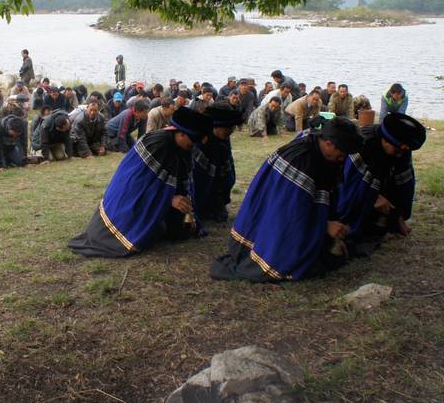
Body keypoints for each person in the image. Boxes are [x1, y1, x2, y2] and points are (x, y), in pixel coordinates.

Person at [210, 117, 364, 282]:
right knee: (298, 264)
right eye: (341, 155)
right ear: (328, 143)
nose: (343, 160)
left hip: (282, 219)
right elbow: (289, 216)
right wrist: (324, 225)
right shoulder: (301, 161)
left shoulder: (319, 152)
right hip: (272, 231)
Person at [68, 107, 212, 257]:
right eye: (193, 140)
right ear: (181, 134)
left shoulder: (183, 148)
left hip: (157, 199)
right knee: (153, 232)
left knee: (178, 230)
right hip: (128, 202)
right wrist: (169, 199)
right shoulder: (157, 144)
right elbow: (136, 186)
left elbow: (181, 181)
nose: (194, 145)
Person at [337, 112, 426, 257]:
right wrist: (374, 197)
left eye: (404, 151)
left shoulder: (401, 150)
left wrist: (399, 216)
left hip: (374, 188)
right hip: (346, 194)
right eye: (398, 150)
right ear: (385, 141)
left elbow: (403, 184)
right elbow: (347, 185)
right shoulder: (362, 144)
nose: (400, 155)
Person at [192, 107, 242, 223]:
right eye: (229, 128)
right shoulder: (200, 141)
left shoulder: (224, 141)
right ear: (216, 126)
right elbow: (196, 176)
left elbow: (227, 174)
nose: (231, 131)